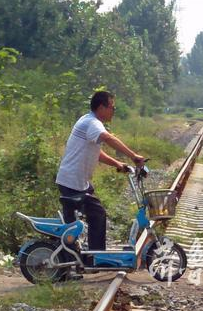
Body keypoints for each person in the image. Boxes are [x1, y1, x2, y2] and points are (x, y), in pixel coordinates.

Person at [55, 91, 145, 251]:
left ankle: (79, 255)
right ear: (101, 107)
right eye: (112, 107)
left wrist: (117, 163)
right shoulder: (92, 123)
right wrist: (133, 156)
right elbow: (108, 138)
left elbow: (97, 153)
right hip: (73, 182)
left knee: (78, 222)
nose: (113, 111)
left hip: (76, 181)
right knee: (96, 214)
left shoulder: (88, 120)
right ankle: (94, 256)